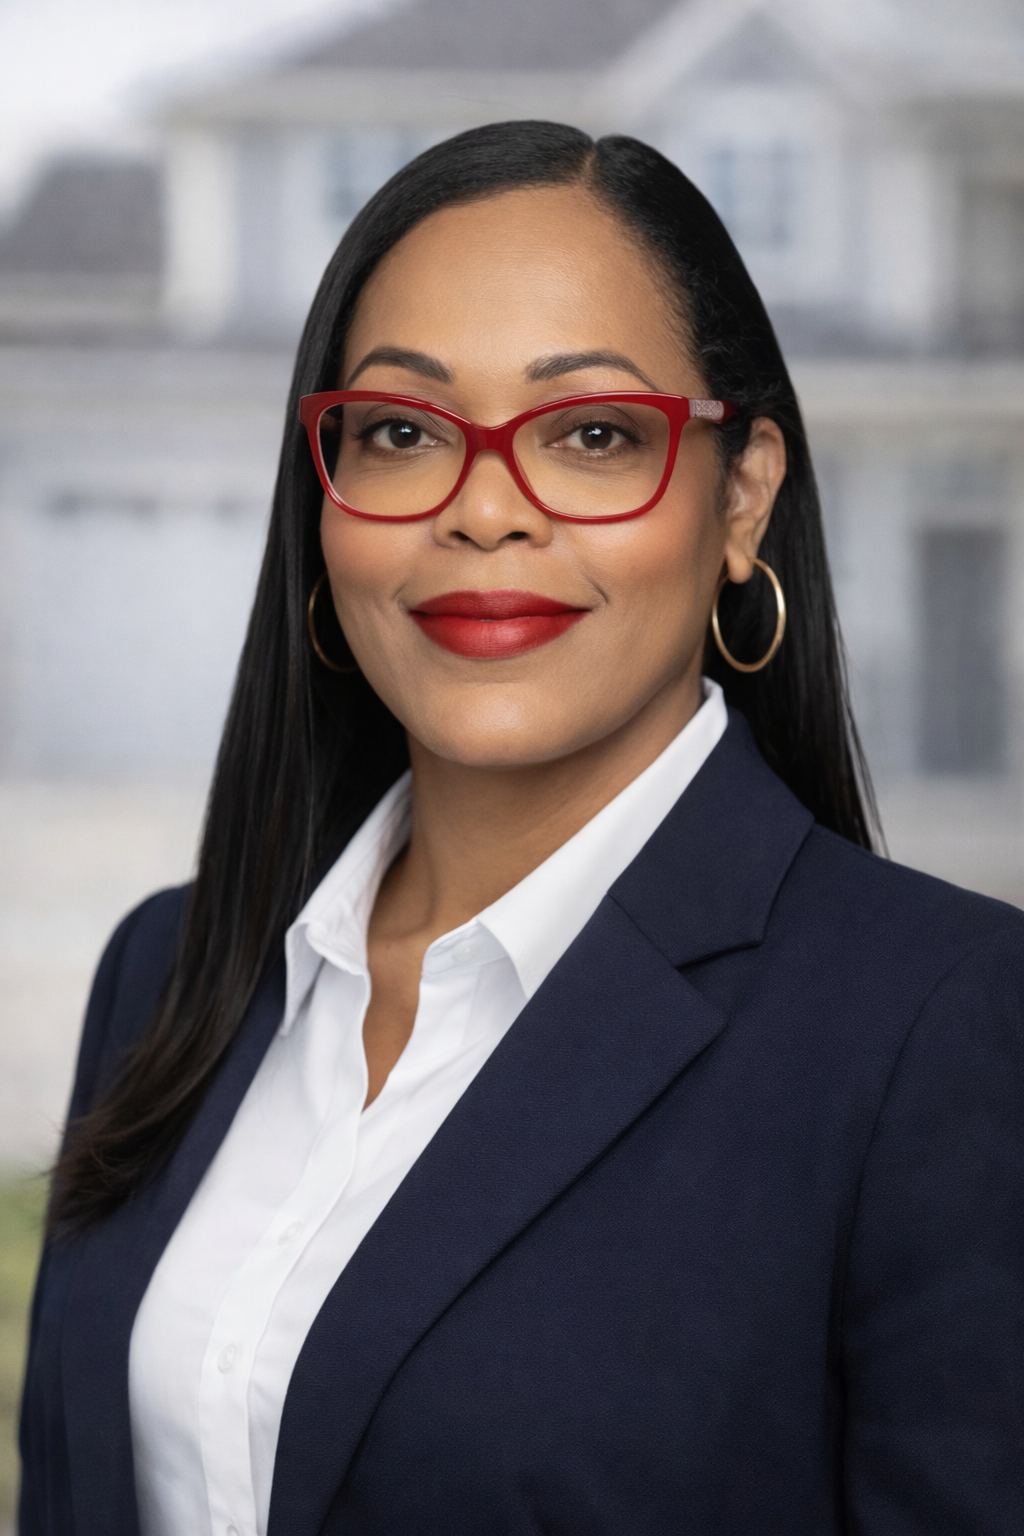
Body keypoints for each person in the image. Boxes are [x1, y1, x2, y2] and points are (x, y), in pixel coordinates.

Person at [19, 121, 1023, 1536]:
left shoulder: (947, 1030)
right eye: (402, 432)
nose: (484, 509)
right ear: (329, 501)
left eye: (594, 434)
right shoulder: (170, 968)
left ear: (740, 496)